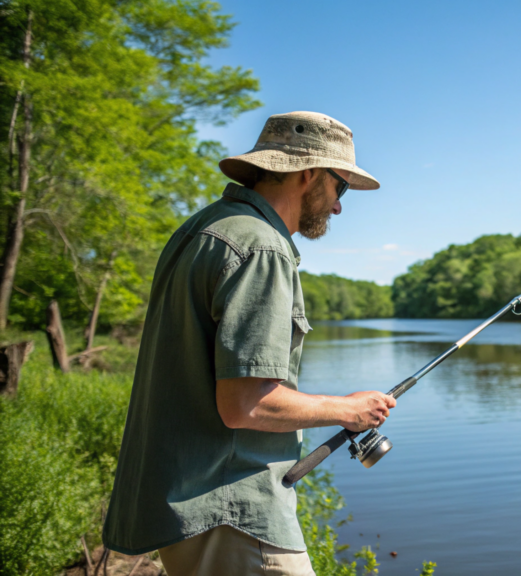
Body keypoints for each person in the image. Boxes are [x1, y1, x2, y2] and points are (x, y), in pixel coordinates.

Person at [102, 111, 396, 575]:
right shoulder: (263, 248)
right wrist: (348, 410)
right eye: (340, 187)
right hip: (232, 512)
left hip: (189, 508)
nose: (339, 206)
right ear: (309, 174)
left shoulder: (201, 230)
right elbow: (247, 405)